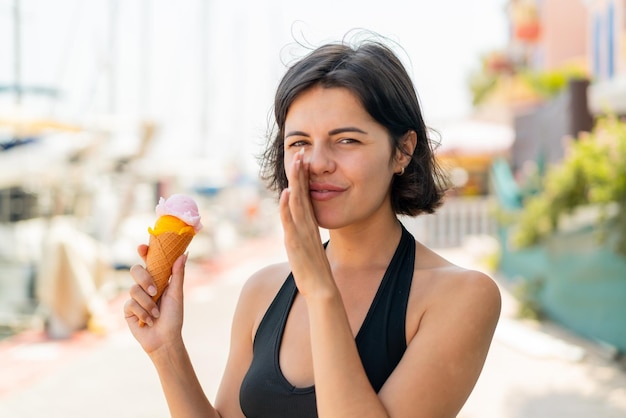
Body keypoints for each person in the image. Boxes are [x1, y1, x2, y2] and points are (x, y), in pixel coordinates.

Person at [124, 34, 501, 418]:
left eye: (347, 140)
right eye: (299, 143)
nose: (317, 163)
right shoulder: (262, 291)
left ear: (402, 150)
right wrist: (166, 349)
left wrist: (321, 290)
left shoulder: (461, 297)